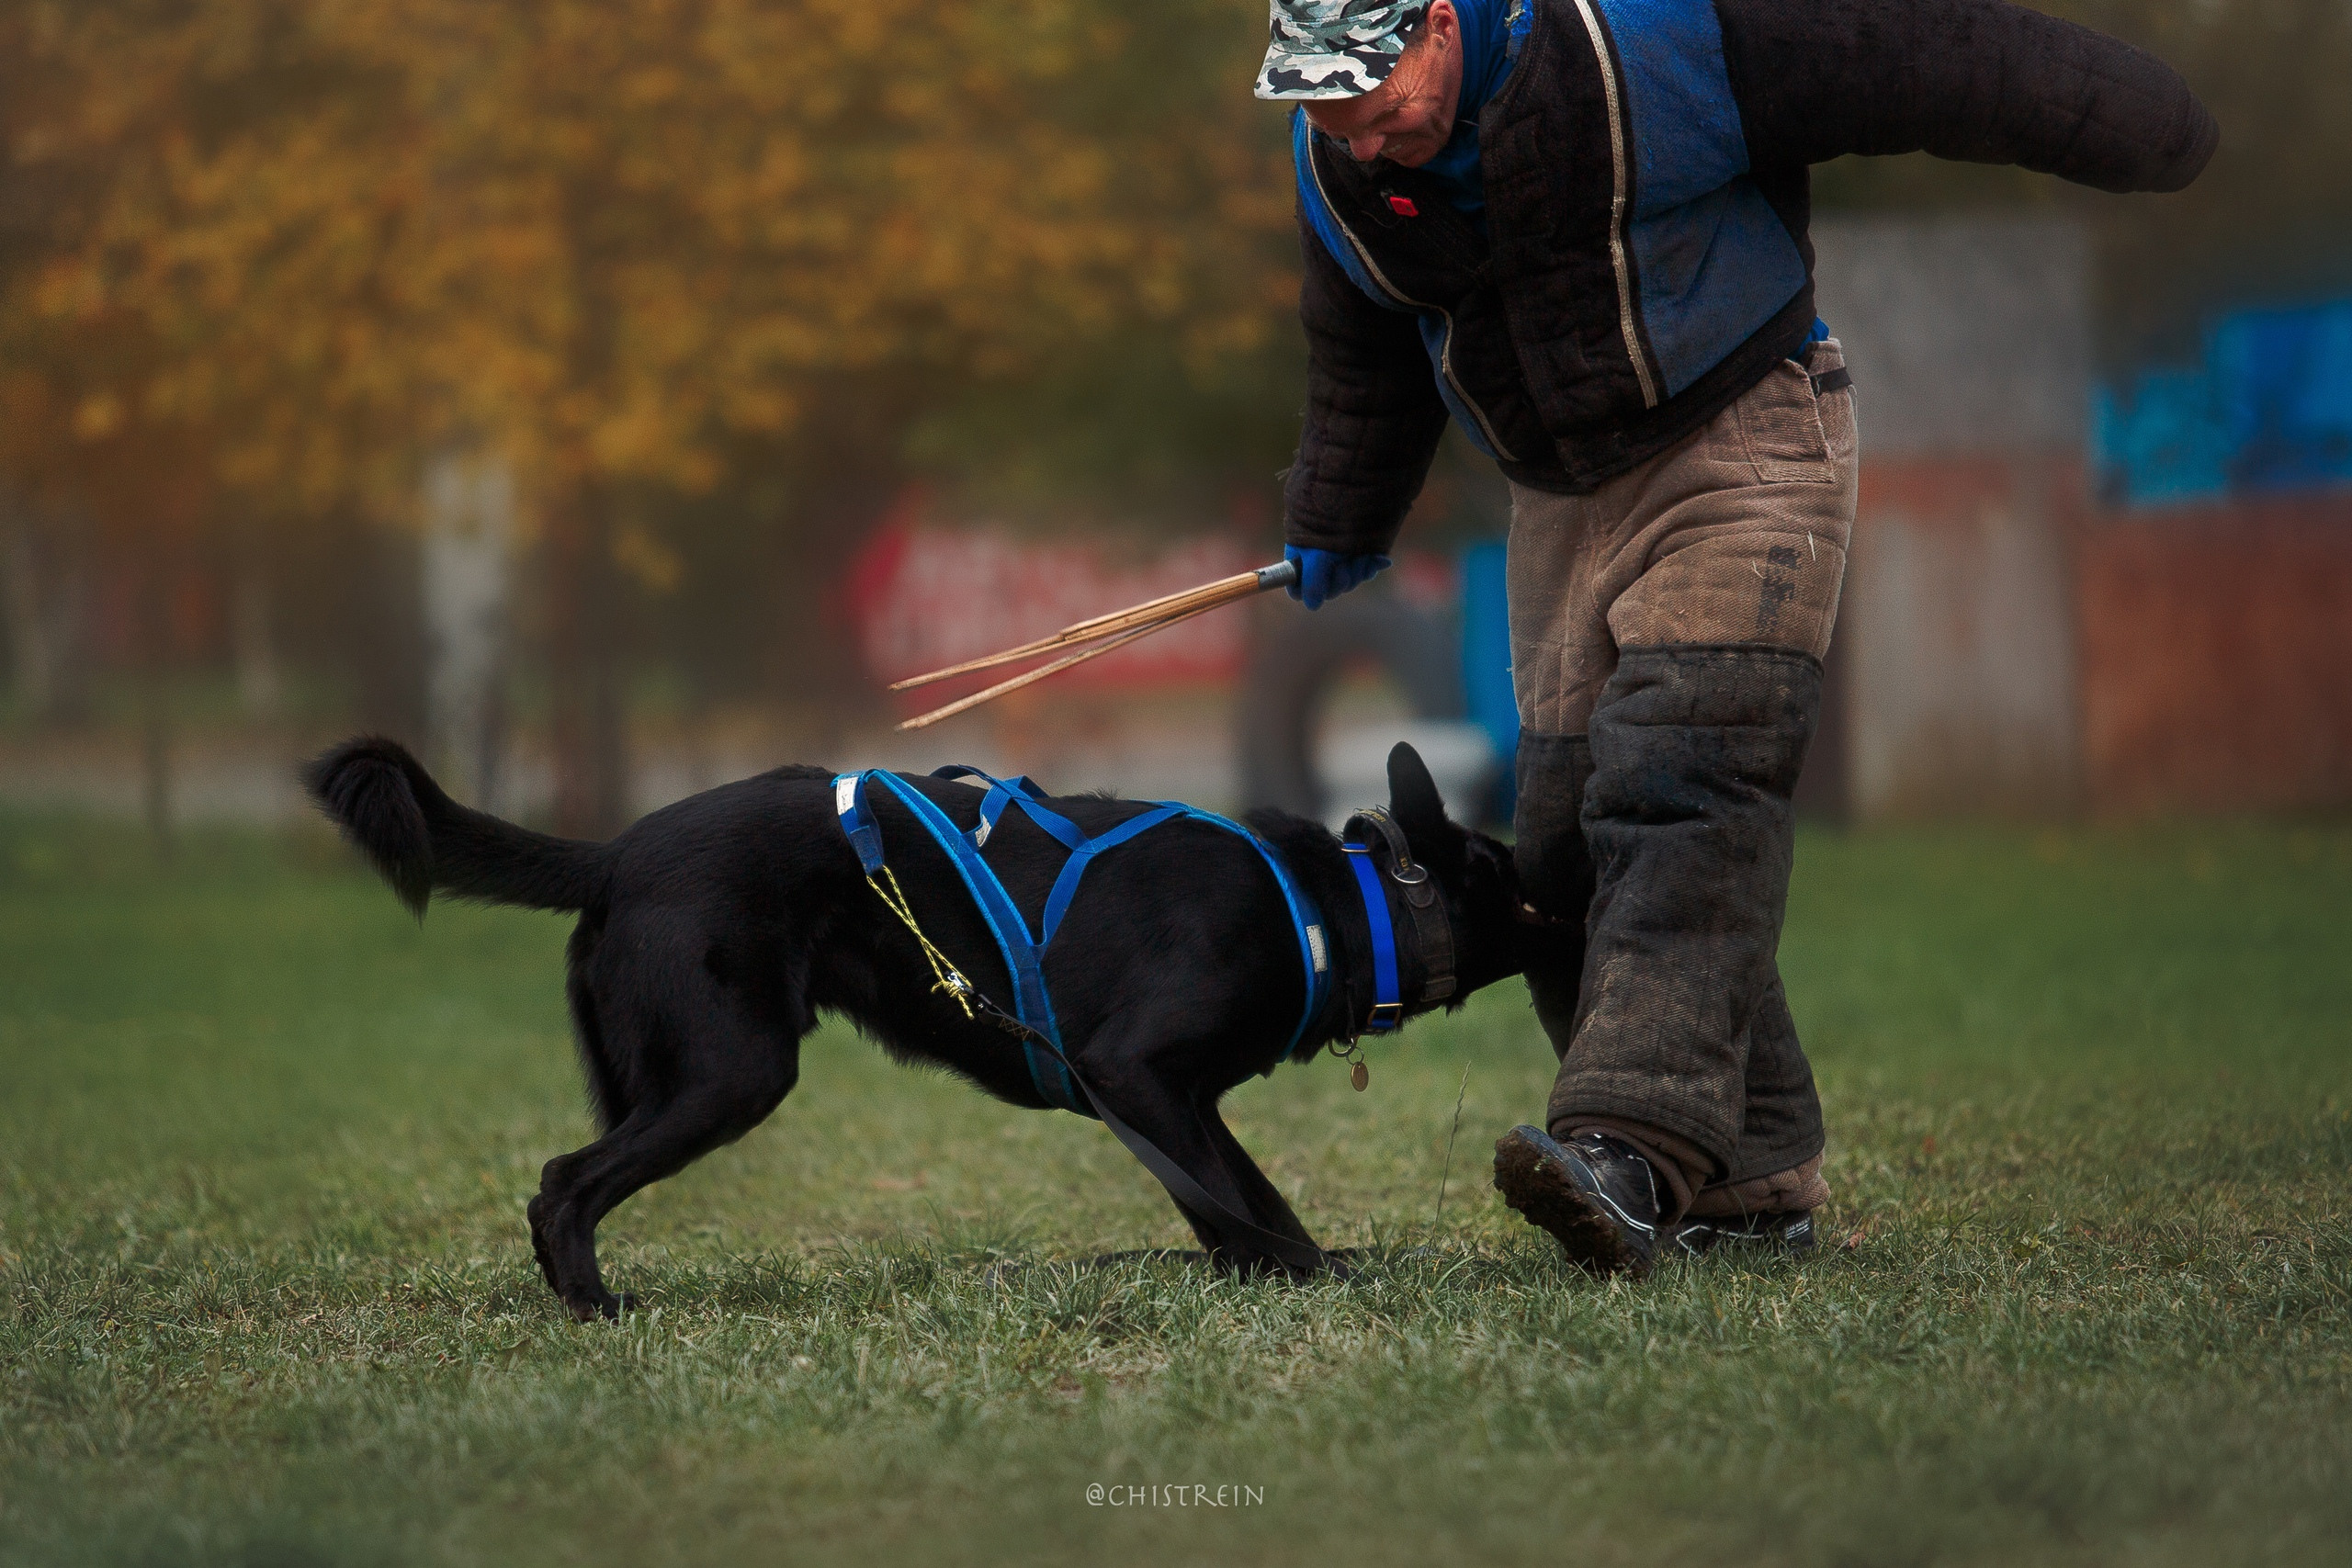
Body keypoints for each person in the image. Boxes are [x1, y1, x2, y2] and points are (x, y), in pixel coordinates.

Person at [1257, 0, 2215, 1272]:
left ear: (1439, 25)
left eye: (1376, 106)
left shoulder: (1653, 46)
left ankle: (1628, 1150)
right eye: (1327, 113)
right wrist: (1338, 515)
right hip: (1560, 496)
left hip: (1743, 440)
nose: (1362, 142)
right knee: (1561, 846)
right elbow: (1364, 353)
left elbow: (1921, 57)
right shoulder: (1340, 168)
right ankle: (1753, 1187)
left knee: (1684, 781)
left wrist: (2149, 123)